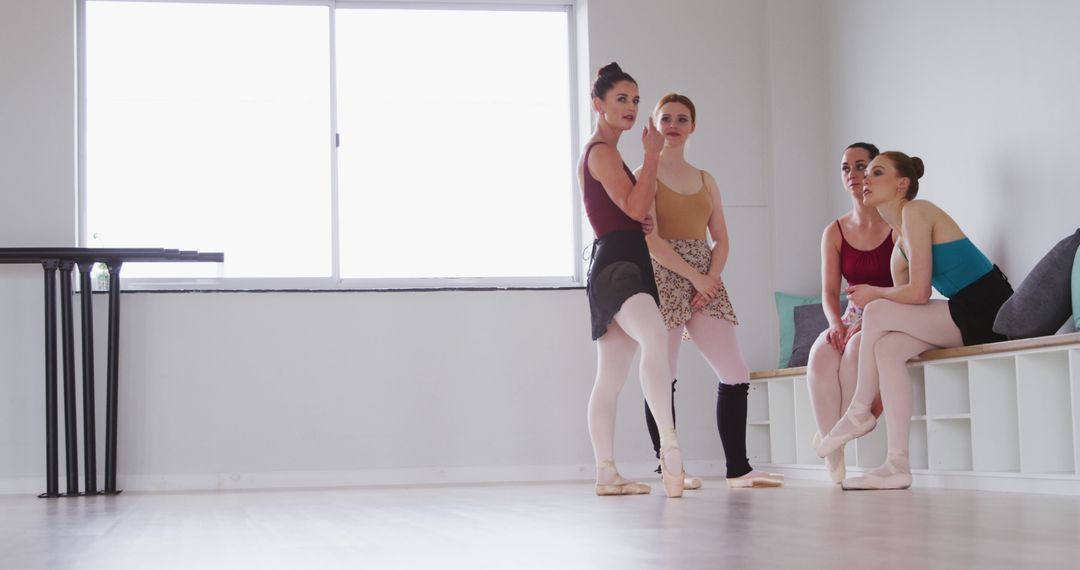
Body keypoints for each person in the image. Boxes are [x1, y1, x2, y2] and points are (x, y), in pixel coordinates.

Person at [815, 151, 1013, 490]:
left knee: (876, 311)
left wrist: (875, 297)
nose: (865, 180)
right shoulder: (899, 249)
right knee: (888, 348)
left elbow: (919, 293)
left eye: (877, 173)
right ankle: (897, 463)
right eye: (866, 174)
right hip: (962, 311)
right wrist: (876, 310)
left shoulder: (917, 212)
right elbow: (905, 297)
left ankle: (860, 409)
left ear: (902, 183)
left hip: (989, 309)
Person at [640, 93, 782, 489]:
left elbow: (720, 238)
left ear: (692, 127)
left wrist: (709, 278)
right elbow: (651, 241)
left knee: (735, 371)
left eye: (681, 119)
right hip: (663, 274)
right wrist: (695, 278)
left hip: (706, 275)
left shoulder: (706, 179)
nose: (673, 124)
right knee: (661, 373)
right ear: (653, 124)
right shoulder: (645, 174)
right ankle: (668, 466)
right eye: (665, 118)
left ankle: (738, 468)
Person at [581, 63, 685, 498]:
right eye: (621, 99)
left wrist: (640, 197)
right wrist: (651, 157)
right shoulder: (603, 151)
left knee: (611, 376)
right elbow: (633, 208)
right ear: (598, 104)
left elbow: (638, 210)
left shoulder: (611, 152)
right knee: (656, 336)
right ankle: (671, 450)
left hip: (625, 258)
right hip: (617, 266)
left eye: (636, 100)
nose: (630, 107)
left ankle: (607, 473)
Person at [806, 142, 892, 483]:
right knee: (821, 355)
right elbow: (828, 292)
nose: (853, 174)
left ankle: (831, 438)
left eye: (861, 166)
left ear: (876, 170)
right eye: (846, 168)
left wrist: (863, 324)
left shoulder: (896, 222)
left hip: (892, 313)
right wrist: (835, 323)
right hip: (853, 315)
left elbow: (913, 284)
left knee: (856, 351)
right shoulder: (835, 231)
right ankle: (833, 452)